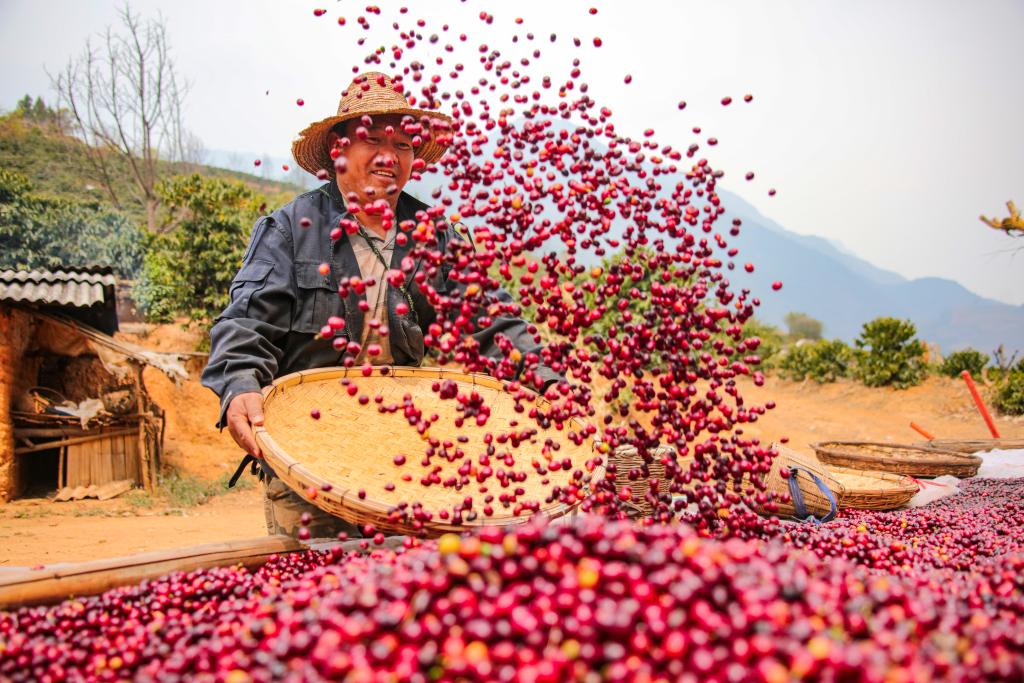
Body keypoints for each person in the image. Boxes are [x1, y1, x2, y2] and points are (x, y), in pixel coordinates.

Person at [201, 72, 561, 539]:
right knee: (320, 578)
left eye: (403, 145)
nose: (390, 157)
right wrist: (239, 383)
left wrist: (546, 379)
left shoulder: (433, 235)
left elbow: (490, 319)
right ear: (338, 149)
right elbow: (246, 324)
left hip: (398, 455)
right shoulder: (292, 229)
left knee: (400, 579)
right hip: (307, 451)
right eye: (372, 140)